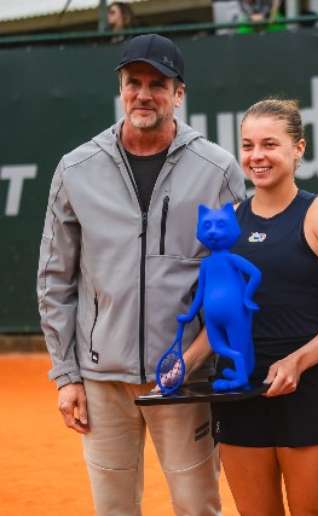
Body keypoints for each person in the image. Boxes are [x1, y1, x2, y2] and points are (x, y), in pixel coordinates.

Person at [36, 34, 245, 515]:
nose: (144, 94)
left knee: (197, 506)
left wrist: (197, 361)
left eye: (158, 83)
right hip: (100, 379)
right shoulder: (76, 169)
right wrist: (66, 376)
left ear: (179, 93)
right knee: (113, 509)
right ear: (121, 88)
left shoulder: (218, 170)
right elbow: (55, 279)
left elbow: (234, 278)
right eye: (134, 83)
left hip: (185, 380)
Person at [184, 98, 318, 515]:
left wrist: (297, 362)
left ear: (298, 149)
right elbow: (221, 321)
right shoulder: (226, 223)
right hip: (239, 393)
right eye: (247, 146)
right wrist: (184, 363)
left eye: (270, 144)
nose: (256, 156)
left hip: (308, 393)